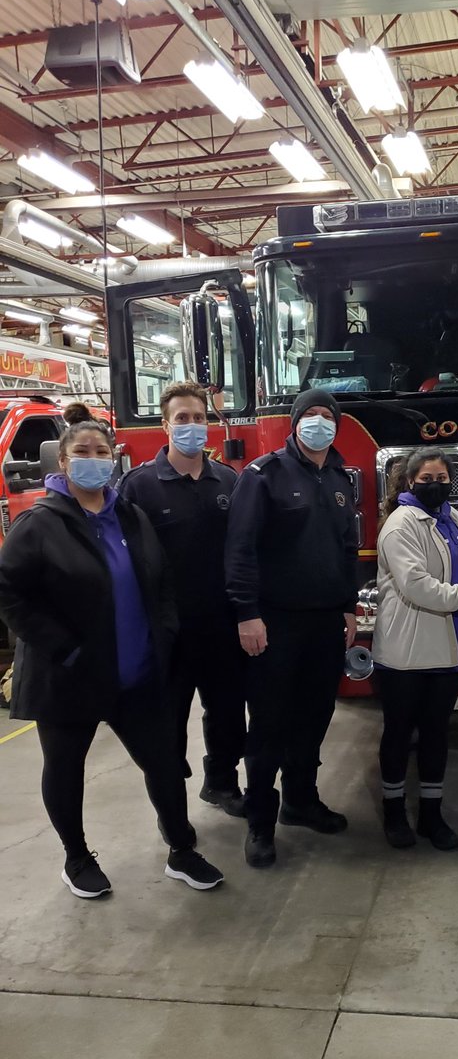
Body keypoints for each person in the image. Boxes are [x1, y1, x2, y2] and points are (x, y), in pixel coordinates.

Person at [0, 404, 223, 898]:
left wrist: (161, 635)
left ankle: (182, 849)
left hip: (136, 672)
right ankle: (76, 858)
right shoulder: (39, 522)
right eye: (82, 452)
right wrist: (65, 649)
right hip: (71, 675)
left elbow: (160, 581)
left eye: (102, 451)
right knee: (65, 768)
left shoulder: (130, 515)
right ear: (62, 462)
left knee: (163, 763)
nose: (93, 460)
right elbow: (10, 593)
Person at [226, 388, 359, 868]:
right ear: (295, 423)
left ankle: (301, 801)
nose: (319, 423)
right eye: (311, 416)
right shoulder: (263, 476)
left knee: (315, 716)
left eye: (327, 416)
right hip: (273, 622)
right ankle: (261, 820)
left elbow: (347, 549)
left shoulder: (341, 479)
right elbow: (240, 549)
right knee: (269, 725)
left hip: (326, 621)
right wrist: (246, 613)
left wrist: (348, 607)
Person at [119, 381, 246, 817]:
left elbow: (242, 551)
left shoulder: (228, 480)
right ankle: (171, 802)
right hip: (166, 631)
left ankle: (223, 783)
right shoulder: (137, 487)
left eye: (200, 418)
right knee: (167, 720)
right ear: (165, 425)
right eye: (183, 419)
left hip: (221, 625)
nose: (193, 426)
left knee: (228, 713)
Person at [373, 449, 458, 850]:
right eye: (426, 478)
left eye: (442, 477)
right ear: (410, 482)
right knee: (399, 733)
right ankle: (394, 813)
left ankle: (431, 815)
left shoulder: (452, 519)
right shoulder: (400, 524)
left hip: (448, 643)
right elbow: (417, 586)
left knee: (437, 734)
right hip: (408, 650)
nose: (435, 484)